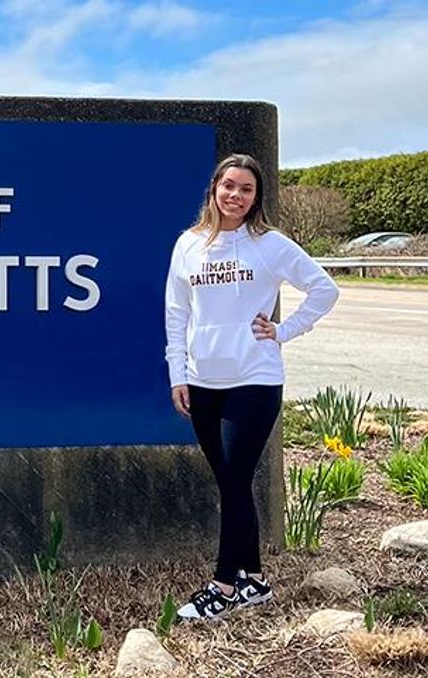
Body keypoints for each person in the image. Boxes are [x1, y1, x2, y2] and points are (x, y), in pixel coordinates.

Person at [164, 153, 339, 622]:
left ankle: (223, 586)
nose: (236, 196)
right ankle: (256, 581)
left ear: (256, 197)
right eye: (229, 186)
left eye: (247, 189)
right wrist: (177, 373)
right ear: (214, 189)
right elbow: (177, 313)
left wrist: (283, 331)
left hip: (255, 378)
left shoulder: (269, 244)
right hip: (202, 379)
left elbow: (325, 290)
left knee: (237, 480)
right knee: (231, 483)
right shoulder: (189, 245)